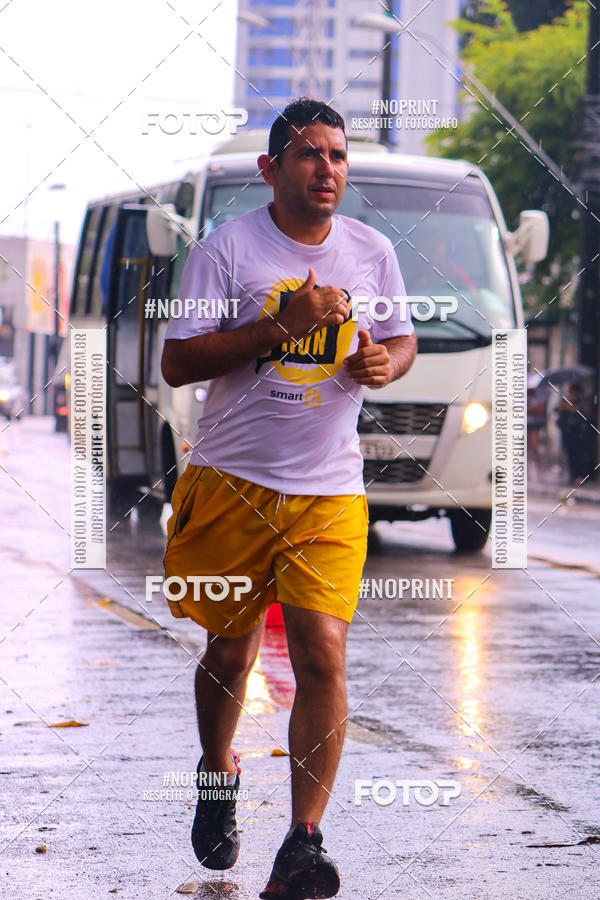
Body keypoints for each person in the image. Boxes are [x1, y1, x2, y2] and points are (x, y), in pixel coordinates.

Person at [160, 97, 417, 899]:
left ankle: (304, 841)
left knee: (321, 653)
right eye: (308, 154)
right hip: (233, 483)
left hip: (329, 491)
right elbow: (175, 365)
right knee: (231, 652)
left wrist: (387, 366)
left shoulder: (372, 252)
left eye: (337, 155)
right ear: (271, 170)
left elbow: (402, 338)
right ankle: (216, 769)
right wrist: (281, 326)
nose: (326, 168)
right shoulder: (227, 251)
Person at [556, 383, 589, 486]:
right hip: (566, 431)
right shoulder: (565, 400)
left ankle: (580, 476)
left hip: (577, 432)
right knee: (569, 454)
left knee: (578, 455)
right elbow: (556, 409)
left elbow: (582, 412)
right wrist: (564, 406)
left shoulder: (581, 402)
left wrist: (570, 407)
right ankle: (572, 475)